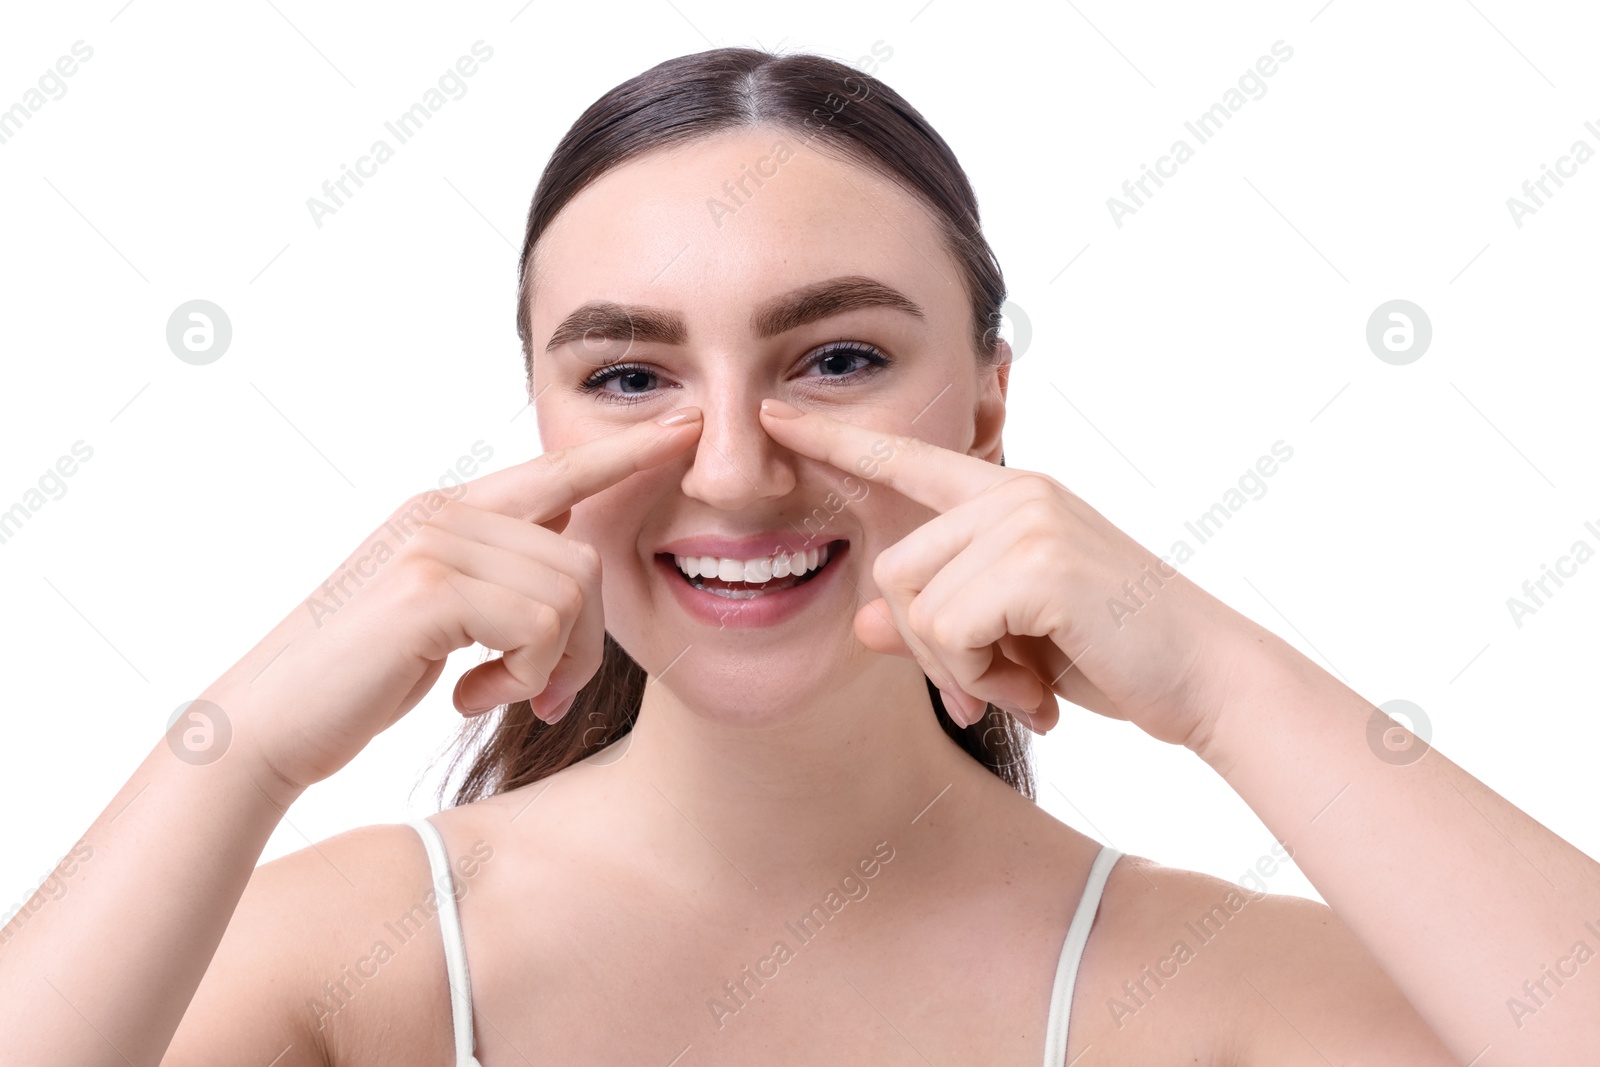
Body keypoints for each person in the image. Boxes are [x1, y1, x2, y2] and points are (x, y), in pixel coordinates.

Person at [2, 45, 1594, 1067]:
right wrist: (245, 742)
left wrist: (1226, 683)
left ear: (986, 406)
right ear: (541, 422)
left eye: (833, 358)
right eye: (629, 376)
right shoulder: (350, 964)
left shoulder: (1205, 994)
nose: (736, 465)